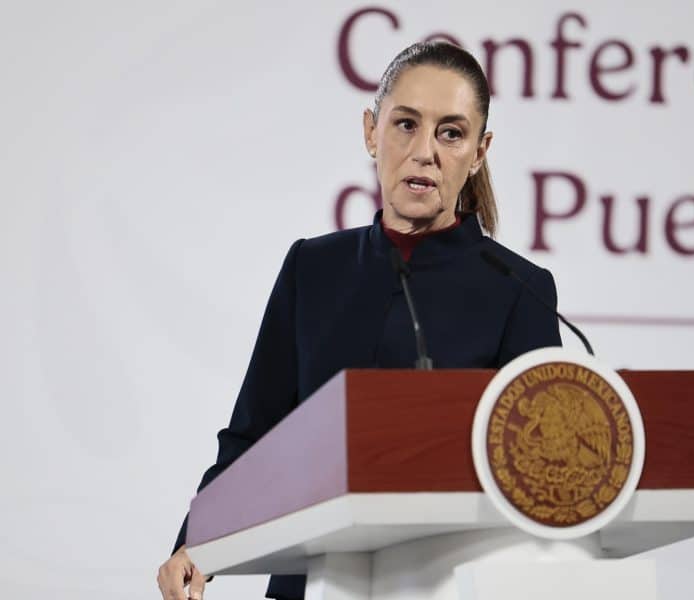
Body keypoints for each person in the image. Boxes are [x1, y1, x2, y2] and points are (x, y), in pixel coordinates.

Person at [156, 41, 562, 600]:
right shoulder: (313, 266)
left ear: (480, 150)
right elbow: (254, 433)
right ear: (371, 132)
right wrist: (195, 545)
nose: (425, 152)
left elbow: (541, 473)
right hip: (307, 584)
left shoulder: (520, 289)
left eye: (451, 132)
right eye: (405, 125)